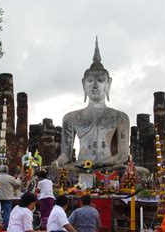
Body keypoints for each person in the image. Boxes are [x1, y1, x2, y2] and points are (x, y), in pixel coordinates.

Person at [53, 38, 130, 170]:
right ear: (83, 84)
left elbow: (122, 156)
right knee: (63, 172)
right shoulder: (71, 118)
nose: (95, 86)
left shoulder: (120, 117)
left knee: (134, 172)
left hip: (109, 167)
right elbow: (66, 154)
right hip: (80, 166)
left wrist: (97, 164)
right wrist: (57, 163)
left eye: (100, 80)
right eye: (90, 81)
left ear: (108, 84)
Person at [0, 165, 21, 230]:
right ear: (7, 170)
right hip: (7, 198)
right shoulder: (10, 178)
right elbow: (17, 184)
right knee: (7, 213)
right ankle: (6, 227)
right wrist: (18, 179)